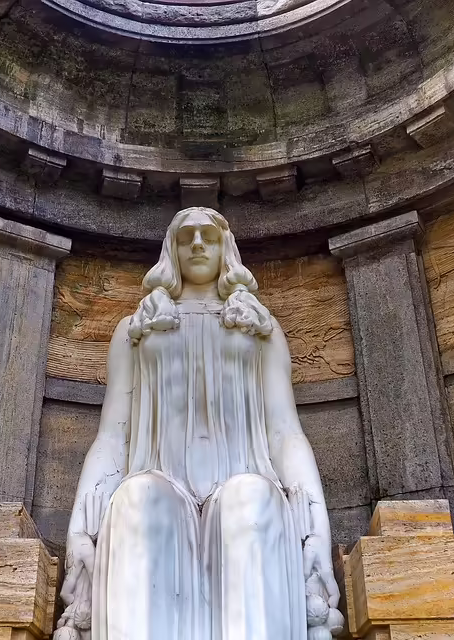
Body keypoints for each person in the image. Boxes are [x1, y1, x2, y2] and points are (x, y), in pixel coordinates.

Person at [54, 207, 343, 640]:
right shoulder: (135, 331)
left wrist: (317, 531)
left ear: (226, 247)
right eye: (185, 236)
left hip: (246, 479)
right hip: (158, 478)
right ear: (170, 250)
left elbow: (285, 434)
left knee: (249, 501)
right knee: (137, 499)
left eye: (208, 235)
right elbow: (113, 436)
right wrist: (79, 530)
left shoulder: (261, 330)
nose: (197, 244)